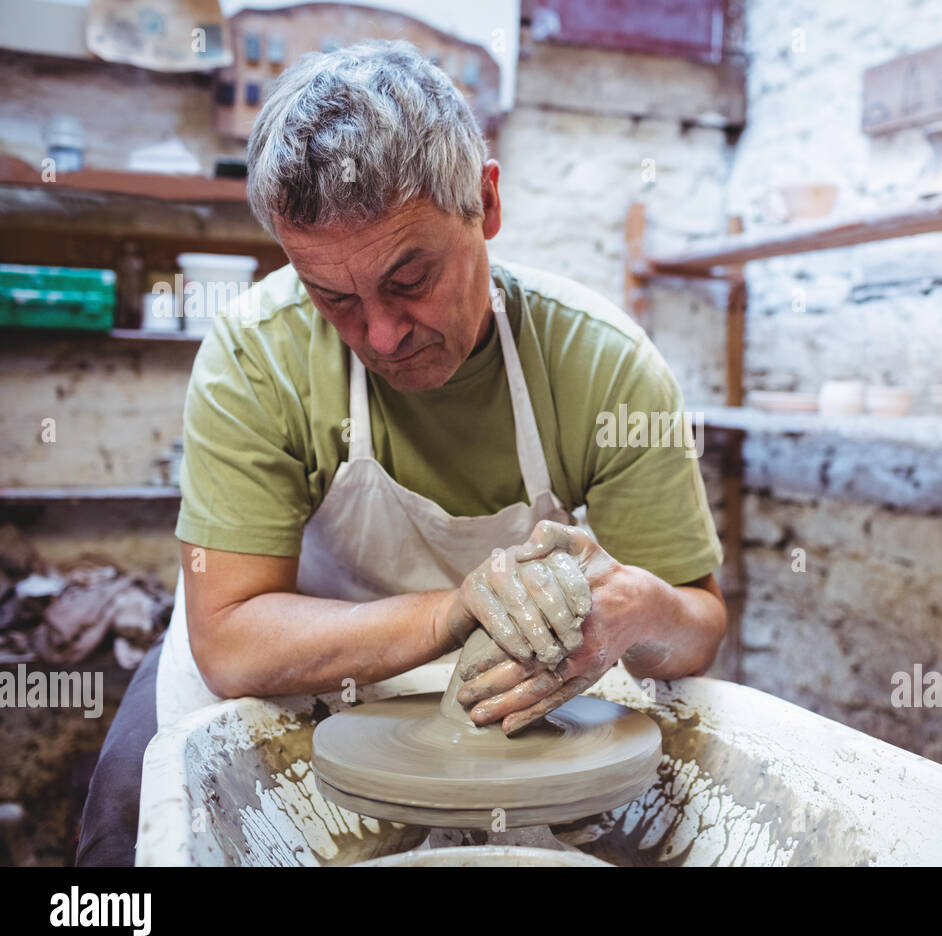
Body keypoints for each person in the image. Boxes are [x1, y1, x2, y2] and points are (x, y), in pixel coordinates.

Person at [76, 39, 725, 866]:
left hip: (501, 699)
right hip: (294, 668)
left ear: (485, 202)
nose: (380, 334)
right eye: (333, 297)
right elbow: (231, 639)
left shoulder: (604, 364)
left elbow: (697, 632)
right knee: (130, 814)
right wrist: (455, 611)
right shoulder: (255, 354)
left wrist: (640, 609)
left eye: (410, 279)